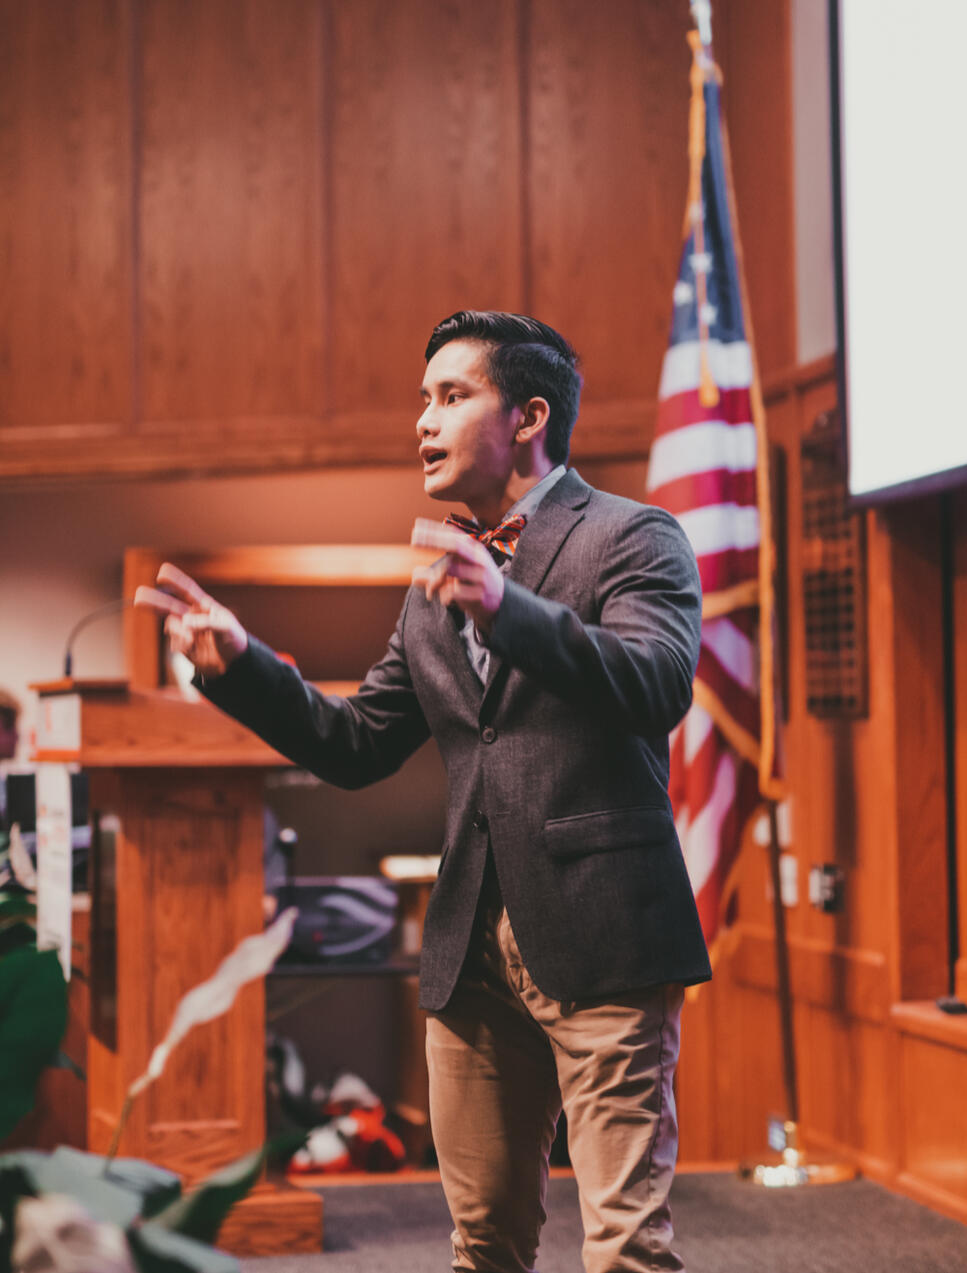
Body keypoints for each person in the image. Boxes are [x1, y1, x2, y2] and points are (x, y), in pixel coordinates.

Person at [136, 311, 709, 1273]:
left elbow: (657, 683)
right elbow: (357, 744)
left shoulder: (632, 535)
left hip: (605, 934)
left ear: (528, 416)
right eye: (423, 399)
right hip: (468, 954)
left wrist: (506, 606)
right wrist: (239, 666)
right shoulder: (437, 581)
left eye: (451, 396)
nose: (423, 421)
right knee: (482, 1244)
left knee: (623, 1246)